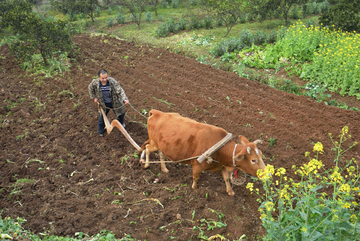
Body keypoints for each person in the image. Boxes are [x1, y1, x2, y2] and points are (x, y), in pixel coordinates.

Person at [88, 69, 129, 137]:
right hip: (103, 103)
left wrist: (124, 98)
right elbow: (90, 88)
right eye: (103, 78)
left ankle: (120, 124)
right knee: (102, 117)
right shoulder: (95, 83)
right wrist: (94, 97)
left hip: (114, 101)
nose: (105, 79)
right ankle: (100, 131)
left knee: (121, 113)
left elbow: (120, 90)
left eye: (106, 77)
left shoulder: (112, 81)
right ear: (98, 77)